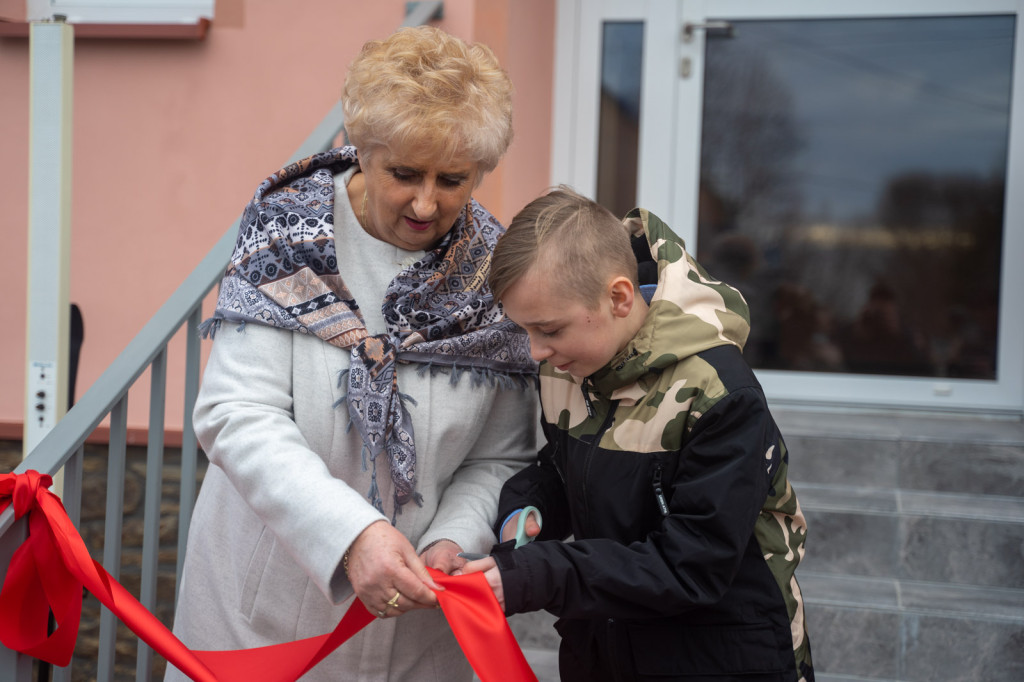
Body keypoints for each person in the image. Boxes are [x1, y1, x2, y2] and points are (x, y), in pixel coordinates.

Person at [166, 26, 538, 682]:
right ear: (361, 149)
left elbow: (501, 453)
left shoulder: (496, 274)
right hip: (262, 618)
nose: (427, 203)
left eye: (453, 179)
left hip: (421, 627)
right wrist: (352, 536)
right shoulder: (288, 238)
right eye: (404, 173)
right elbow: (235, 412)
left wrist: (458, 536)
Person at [463, 187, 814, 681]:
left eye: (550, 330)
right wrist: (529, 509)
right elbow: (563, 468)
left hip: (718, 657)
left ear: (619, 297)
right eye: (525, 330)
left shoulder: (719, 395)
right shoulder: (569, 370)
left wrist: (541, 573)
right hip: (606, 650)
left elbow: (693, 563)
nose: (536, 351)